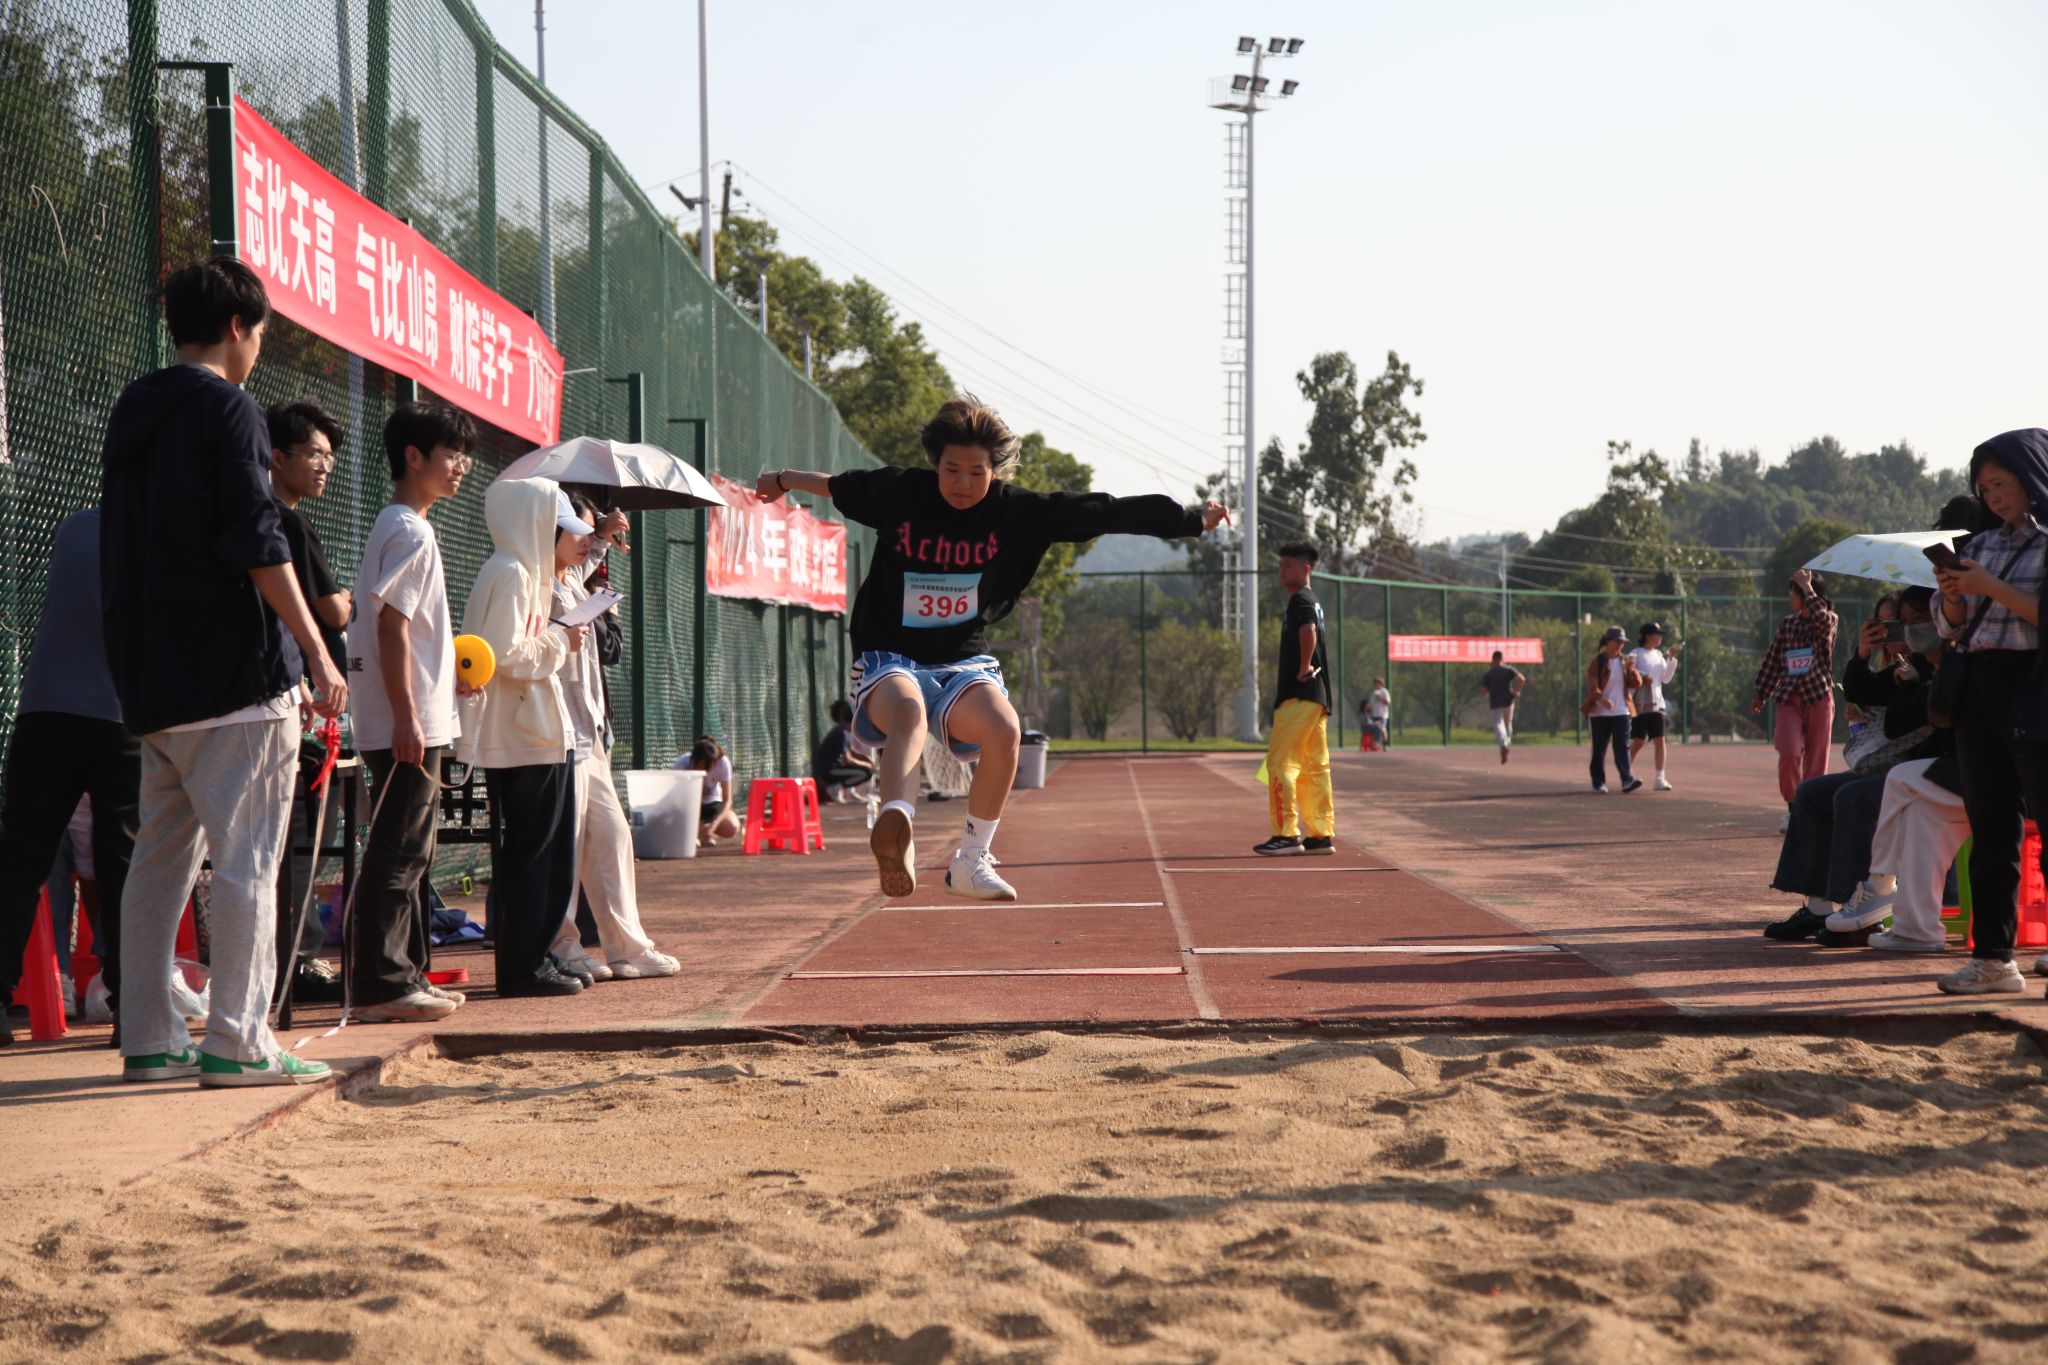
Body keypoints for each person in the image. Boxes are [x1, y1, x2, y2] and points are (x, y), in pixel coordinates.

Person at [754, 394, 1227, 900]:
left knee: (1005, 730)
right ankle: (897, 830)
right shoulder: (900, 492)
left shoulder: (1016, 511)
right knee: (909, 712)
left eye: (976, 473)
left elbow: (1104, 512)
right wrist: (781, 479)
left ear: (994, 471)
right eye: (951, 471)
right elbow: (833, 485)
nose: (962, 484)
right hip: (888, 654)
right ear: (935, 465)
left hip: (962, 660)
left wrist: (1188, 520)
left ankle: (970, 861)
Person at [100, 257, 346, 1086]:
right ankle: (239, 1042)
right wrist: (314, 649)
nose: (258, 347)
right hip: (234, 683)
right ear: (239, 327)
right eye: (261, 332)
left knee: (157, 865)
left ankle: (150, 1038)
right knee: (246, 863)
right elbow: (256, 539)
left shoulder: (134, 408)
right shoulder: (232, 408)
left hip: (150, 682)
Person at [343, 401, 473, 1022]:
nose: (461, 466)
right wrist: (407, 715)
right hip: (406, 721)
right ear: (413, 457)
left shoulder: (398, 524)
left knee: (410, 851)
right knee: (398, 851)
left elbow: (405, 628)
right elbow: (391, 626)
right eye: (451, 454)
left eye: (464, 454)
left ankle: (405, 974)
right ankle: (382, 986)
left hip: (410, 713)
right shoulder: (411, 532)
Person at [0, 510, 141, 1047]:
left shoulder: (74, 526)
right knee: (124, 862)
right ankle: (133, 1010)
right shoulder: (162, 529)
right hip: (118, 717)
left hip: (43, 712)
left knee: (21, 861)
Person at [1929, 428, 2048, 995]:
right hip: (1979, 689)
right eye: (1985, 489)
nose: (1994, 497)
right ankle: (1994, 960)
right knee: (1993, 831)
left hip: (2035, 687)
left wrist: (1989, 586)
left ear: (2032, 478)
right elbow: (1948, 626)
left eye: (2002, 484)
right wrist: (1955, 593)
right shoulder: (1979, 544)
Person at [460, 476, 586, 998]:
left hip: (535, 732)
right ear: (537, 524)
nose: (571, 538)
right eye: (560, 526)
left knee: (547, 853)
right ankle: (522, 966)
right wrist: (561, 640)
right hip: (522, 736)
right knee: (534, 853)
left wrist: (557, 639)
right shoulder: (511, 572)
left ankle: (534, 956)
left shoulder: (523, 572)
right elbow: (504, 654)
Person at [1761, 588, 1945, 943]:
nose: (1898, 630)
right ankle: (1818, 908)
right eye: (1889, 623)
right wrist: (1862, 653)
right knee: (1811, 792)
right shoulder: (1911, 666)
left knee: (1852, 796)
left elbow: (1898, 723)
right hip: (1892, 769)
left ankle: (1858, 911)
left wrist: (1912, 684)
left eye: (1909, 621)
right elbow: (1861, 691)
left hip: (1926, 770)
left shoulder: (1944, 664)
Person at [549, 490, 679, 982]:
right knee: (568, 844)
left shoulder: (568, 578)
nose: (585, 541)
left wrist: (601, 535)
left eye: (588, 531)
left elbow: (582, 565)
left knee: (611, 836)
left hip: (589, 735)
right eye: (577, 531)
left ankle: (627, 949)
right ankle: (563, 946)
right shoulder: (533, 581)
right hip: (558, 734)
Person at [265, 398, 351, 1003]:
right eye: (314, 454)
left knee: (291, 841)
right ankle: (294, 963)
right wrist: (347, 602)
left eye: (330, 457)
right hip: (286, 705)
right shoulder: (285, 522)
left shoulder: (269, 518)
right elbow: (333, 611)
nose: (324, 466)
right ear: (277, 456)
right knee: (297, 838)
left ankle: (289, 960)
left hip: (287, 699)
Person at [1255, 542, 1335, 856]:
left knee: (1280, 764)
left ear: (1306, 569)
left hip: (1299, 695)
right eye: (1280, 565)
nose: (1281, 571)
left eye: (1287, 566)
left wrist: (1303, 666)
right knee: (1314, 768)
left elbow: (1308, 630)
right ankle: (1320, 834)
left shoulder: (1300, 599)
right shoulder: (1312, 600)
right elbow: (1310, 628)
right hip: (1317, 698)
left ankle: (1286, 834)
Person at [1753, 568, 1839, 833]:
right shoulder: (1788, 624)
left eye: (1795, 593)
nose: (1791, 598)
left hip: (1818, 696)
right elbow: (1773, 658)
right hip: (1790, 697)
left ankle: (1810, 810)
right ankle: (1793, 808)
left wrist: (1808, 587)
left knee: (1816, 759)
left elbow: (1822, 620)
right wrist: (1761, 692)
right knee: (1789, 752)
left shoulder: (1828, 619)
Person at [1582, 627, 1643, 794]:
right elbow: (1592, 686)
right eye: (1617, 642)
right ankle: (1598, 783)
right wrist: (1602, 699)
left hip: (1622, 711)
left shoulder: (1625, 661)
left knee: (1622, 746)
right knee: (1599, 749)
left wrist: (1632, 669)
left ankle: (1627, 779)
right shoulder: (1598, 662)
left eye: (1622, 642)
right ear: (1608, 641)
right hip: (1599, 713)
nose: (1620, 645)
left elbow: (1636, 683)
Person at [1626, 623, 1681, 789]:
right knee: (1638, 740)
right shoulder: (1635, 653)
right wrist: (1643, 676)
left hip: (1657, 704)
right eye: (1657, 634)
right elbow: (1628, 671)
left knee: (1660, 740)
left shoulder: (1658, 655)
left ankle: (1660, 778)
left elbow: (1665, 679)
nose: (1660, 637)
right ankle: (1625, 771)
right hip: (1640, 703)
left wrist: (1671, 658)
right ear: (1648, 636)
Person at [675, 737, 741, 843]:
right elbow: (674, 797)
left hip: (712, 804)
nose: (703, 771)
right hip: (687, 805)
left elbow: (727, 800)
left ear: (714, 762)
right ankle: (693, 833)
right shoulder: (682, 763)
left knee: (732, 827)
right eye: (699, 766)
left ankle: (704, 832)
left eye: (706, 767)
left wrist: (714, 824)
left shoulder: (723, 763)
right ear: (693, 759)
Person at [813, 699, 875, 804]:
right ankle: (835, 788)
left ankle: (849, 791)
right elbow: (847, 759)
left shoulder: (843, 730)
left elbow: (850, 752)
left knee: (866, 770)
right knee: (866, 773)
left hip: (834, 768)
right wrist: (866, 765)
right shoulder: (841, 732)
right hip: (829, 770)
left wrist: (866, 759)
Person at [1478, 650, 1524, 766]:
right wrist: (1517, 691)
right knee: (1508, 723)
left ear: (1492, 660)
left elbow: (1483, 691)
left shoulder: (1489, 673)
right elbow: (1521, 679)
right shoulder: (1508, 669)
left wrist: (1489, 688)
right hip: (1508, 700)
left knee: (1499, 724)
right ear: (1502, 659)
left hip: (1495, 702)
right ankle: (1507, 743)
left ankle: (1503, 745)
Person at [1365, 679, 1392, 750]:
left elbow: (1388, 702)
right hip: (1375, 715)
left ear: (1381, 684)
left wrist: (1379, 698)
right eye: (1375, 683)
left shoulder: (1384, 691)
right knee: (1376, 730)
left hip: (1382, 715)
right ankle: (1376, 745)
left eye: (1378, 683)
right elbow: (1370, 704)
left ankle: (1385, 745)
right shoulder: (1374, 693)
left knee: (1382, 729)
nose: (1376, 685)